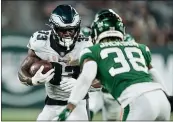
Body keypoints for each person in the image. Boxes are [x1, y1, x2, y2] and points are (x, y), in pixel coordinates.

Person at [57, 9, 171, 121]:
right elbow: (153, 72)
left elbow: (86, 78)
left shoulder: (93, 50)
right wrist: (168, 97)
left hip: (137, 100)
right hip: (161, 98)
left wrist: (70, 107)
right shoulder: (139, 47)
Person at [18, 4, 92, 121]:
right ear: (54, 28)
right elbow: (22, 71)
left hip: (77, 103)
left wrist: (82, 84)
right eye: (63, 30)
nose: (68, 34)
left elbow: (101, 80)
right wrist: (31, 80)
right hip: (51, 103)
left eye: (71, 30)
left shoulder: (87, 43)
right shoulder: (40, 42)